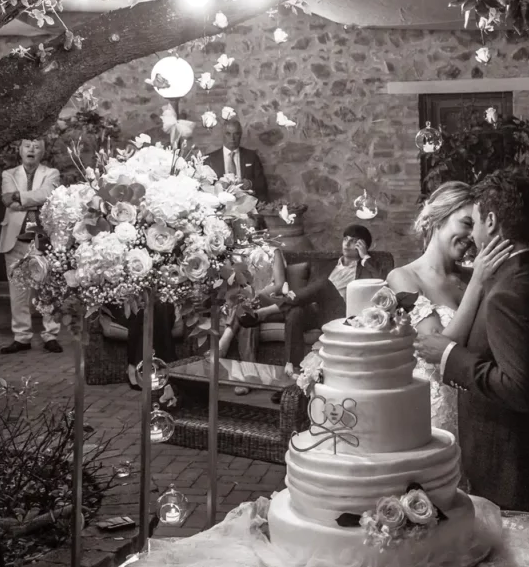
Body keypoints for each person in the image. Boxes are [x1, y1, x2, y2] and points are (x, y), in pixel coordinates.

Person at [414, 173, 529, 515]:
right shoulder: (522, 278)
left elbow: (519, 388)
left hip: (516, 469)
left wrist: (449, 355)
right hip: (521, 462)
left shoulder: (508, 292)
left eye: (474, 222)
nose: (473, 235)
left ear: (491, 221)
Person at [386, 181, 511, 442]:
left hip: (480, 406)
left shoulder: (473, 276)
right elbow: (436, 346)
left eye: (474, 227)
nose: (471, 236)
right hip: (435, 412)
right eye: (466, 223)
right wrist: (478, 281)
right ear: (438, 218)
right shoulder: (404, 277)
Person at [241, 224, 384, 369]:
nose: (346, 244)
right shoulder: (326, 266)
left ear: (362, 246)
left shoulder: (366, 267)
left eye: (353, 241)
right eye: (345, 239)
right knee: (295, 312)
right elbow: (310, 292)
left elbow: (380, 284)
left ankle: (265, 312)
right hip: (317, 312)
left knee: (324, 284)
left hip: (342, 314)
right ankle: (293, 368)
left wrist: (365, 256)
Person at [0, 138, 63, 354]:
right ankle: (22, 337)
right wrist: (34, 200)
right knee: (17, 292)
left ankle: (50, 335)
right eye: (27, 146)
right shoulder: (8, 174)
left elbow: (48, 195)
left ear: (42, 152)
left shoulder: (51, 173)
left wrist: (21, 198)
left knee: (47, 289)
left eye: (36, 147)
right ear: (20, 150)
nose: (32, 150)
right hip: (15, 240)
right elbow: (8, 201)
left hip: (42, 240)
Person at [205, 118, 269, 203]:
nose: (232, 138)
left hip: (247, 205)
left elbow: (262, 184)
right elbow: (204, 187)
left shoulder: (251, 156)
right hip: (220, 207)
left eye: (236, 134)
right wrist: (219, 186)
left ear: (241, 135)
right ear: (222, 135)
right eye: (228, 134)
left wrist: (250, 184)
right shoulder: (210, 159)